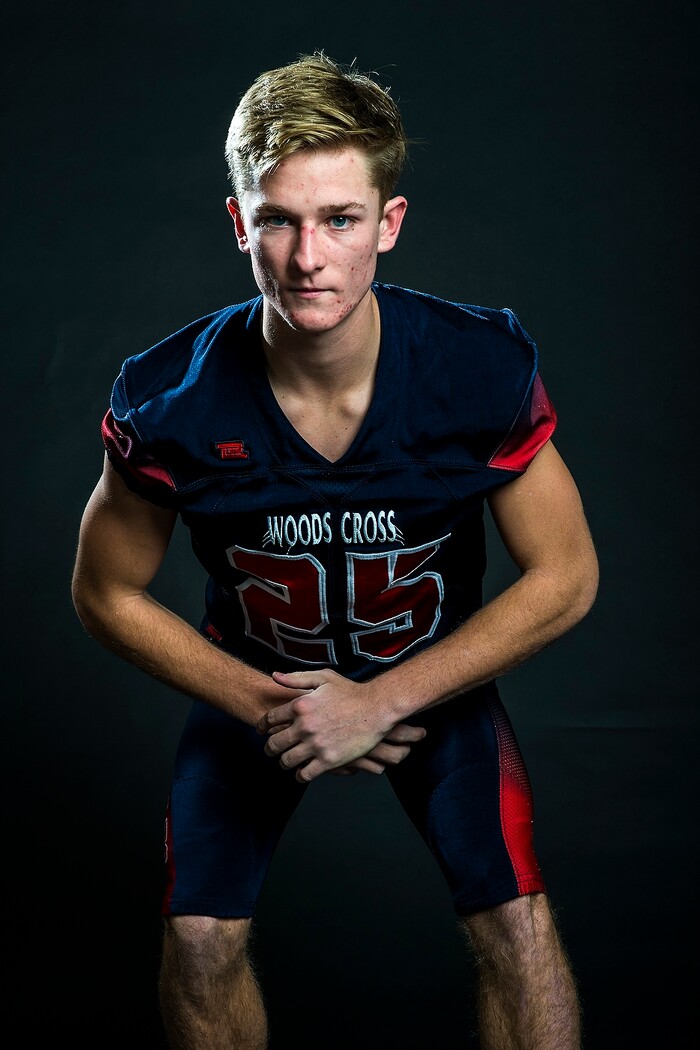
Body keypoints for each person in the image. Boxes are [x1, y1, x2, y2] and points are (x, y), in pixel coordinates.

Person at [71, 52, 599, 1050]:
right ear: (238, 224)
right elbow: (103, 590)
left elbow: (568, 575)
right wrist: (284, 709)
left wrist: (382, 701)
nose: (308, 256)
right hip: (256, 692)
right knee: (197, 941)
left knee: (517, 927)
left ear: (387, 226)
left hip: (429, 689)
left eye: (339, 220)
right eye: (277, 219)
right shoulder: (170, 396)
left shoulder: (473, 369)